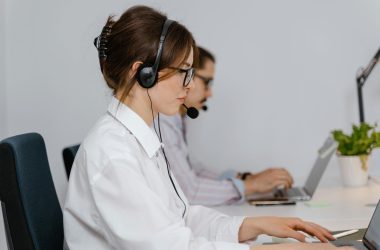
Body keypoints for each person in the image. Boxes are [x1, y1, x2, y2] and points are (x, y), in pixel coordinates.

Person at [63, 5, 351, 250]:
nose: (189, 85)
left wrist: (254, 225)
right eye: (183, 73)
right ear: (143, 74)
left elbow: (182, 218)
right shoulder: (114, 154)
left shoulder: (140, 138)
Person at [160, 47, 294, 205]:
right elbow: (190, 192)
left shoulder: (176, 120)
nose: (210, 93)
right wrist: (251, 185)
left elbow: (194, 169)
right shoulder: (162, 123)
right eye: (207, 83)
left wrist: (244, 178)